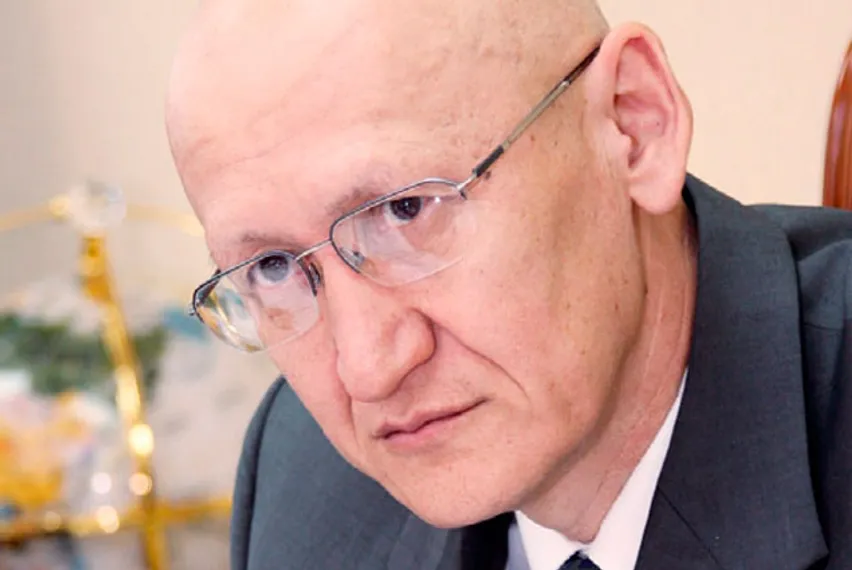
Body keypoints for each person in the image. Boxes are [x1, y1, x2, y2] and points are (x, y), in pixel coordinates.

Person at [164, 0, 852, 568]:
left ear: (632, 122)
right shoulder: (303, 480)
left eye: (406, 210)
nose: (368, 370)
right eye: (273, 267)